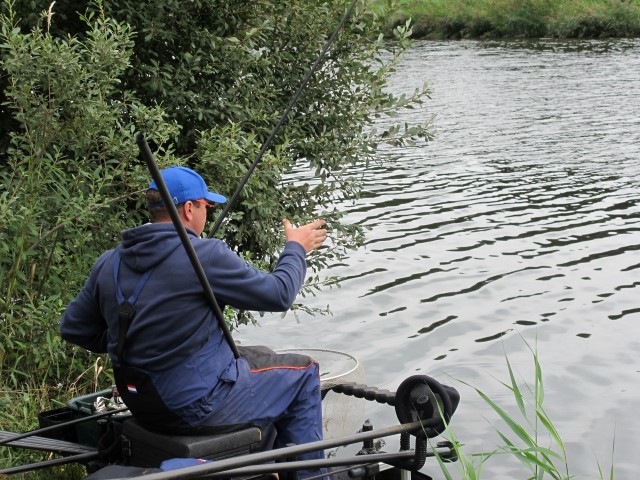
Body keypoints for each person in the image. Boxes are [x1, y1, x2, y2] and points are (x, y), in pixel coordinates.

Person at [60, 166, 328, 478]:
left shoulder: (110, 261)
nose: (207, 214)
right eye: (206, 206)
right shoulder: (205, 255)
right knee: (304, 373)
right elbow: (279, 294)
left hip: (143, 403)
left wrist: (129, 341)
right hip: (195, 405)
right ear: (189, 209)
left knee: (260, 355)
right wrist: (295, 248)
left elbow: (74, 328)